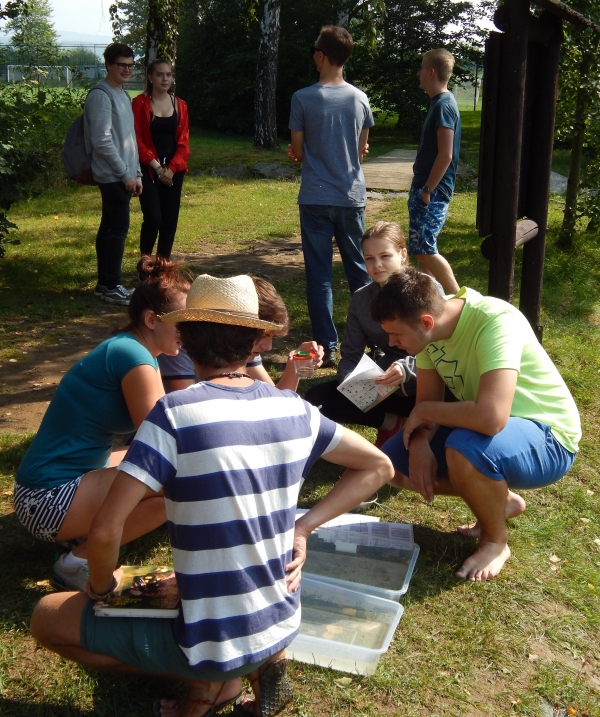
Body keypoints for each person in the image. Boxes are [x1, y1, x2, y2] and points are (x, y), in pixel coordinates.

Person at [29, 273, 394, 717]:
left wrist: (103, 589)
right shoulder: (294, 408)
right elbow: (379, 466)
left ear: (183, 337)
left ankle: (203, 681)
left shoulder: (174, 413)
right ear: (256, 340)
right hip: (281, 621)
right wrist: (303, 527)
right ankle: (254, 667)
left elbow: (106, 529)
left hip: (211, 638)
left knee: (46, 617)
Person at [371, 268, 581, 581]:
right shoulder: (429, 335)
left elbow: (490, 417)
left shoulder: (494, 321)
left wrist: (425, 412)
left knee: (463, 448)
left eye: (396, 334)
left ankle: (495, 541)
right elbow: (425, 408)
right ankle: (498, 499)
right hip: (491, 429)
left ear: (426, 322)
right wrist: (418, 443)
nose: (391, 342)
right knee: (392, 464)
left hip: (550, 437)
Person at [13, 256, 190, 592]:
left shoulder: (132, 349)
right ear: (152, 319)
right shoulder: (134, 357)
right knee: (177, 485)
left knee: (158, 470)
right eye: (184, 322)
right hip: (46, 501)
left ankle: (85, 532)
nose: (191, 331)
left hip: (46, 489)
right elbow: (160, 439)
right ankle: (77, 561)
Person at [305, 221, 443, 448]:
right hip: (383, 385)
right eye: (369, 258)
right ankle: (390, 423)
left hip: (426, 386)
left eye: (385, 256)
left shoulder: (428, 289)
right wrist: (351, 382)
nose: (377, 265)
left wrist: (406, 370)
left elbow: (442, 349)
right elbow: (350, 354)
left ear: (403, 254)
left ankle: (422, 429)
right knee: (316, 400)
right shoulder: (361, 299)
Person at [287, 24, 374, 368]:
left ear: (321, 56)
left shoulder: (302, 98)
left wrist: (299, 152)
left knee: (319, 274)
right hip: (351, 196)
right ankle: (373, 338)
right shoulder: (360, 98)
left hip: (315, 198)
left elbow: (296, 150)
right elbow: (361, 149)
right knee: (360, 270)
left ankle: (329, 345)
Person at [159, 275, 323, 393]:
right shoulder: (184, 347)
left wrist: (295, 365)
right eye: (264, 334)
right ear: (244, 329)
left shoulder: (242, 347)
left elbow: (276, 402)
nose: (269, 346)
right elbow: (189, 407)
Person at [85, 42, 143, 306]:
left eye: (131, 65)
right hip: (112, 175)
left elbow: (128, 140)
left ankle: (105, 284)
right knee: (118, 228)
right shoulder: (101, 94)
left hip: (124, 174)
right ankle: (111, 285)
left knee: (110, 226)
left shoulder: (122, 94)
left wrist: (137, 173)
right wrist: (125, 174)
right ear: (108, 65)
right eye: (122, 65)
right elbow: (101, 140)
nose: (127, 70)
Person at [408, 48, 461, 295]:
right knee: (422, 254)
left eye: (421, 68)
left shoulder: (443, 105)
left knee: (424, 249)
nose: (418, 73)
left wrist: (428, 190)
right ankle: (429, 304)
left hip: (432, 190)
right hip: (427, 188)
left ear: (431, 72)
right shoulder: (440, 103)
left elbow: (445, 154)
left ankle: (463, 305)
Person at [132, 58, 190, 260]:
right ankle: (146, 264)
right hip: (148, 169)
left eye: (168, 74)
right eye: (159, 74)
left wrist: (172, 169)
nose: (165, 79)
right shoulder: (139, 103)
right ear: (150, 77)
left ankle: (163, 266)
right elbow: (137, 140)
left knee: (170, 220)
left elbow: (184, 143)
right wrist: (158, 168)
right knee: (153, 218)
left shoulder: (180, 105)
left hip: (174, 171)